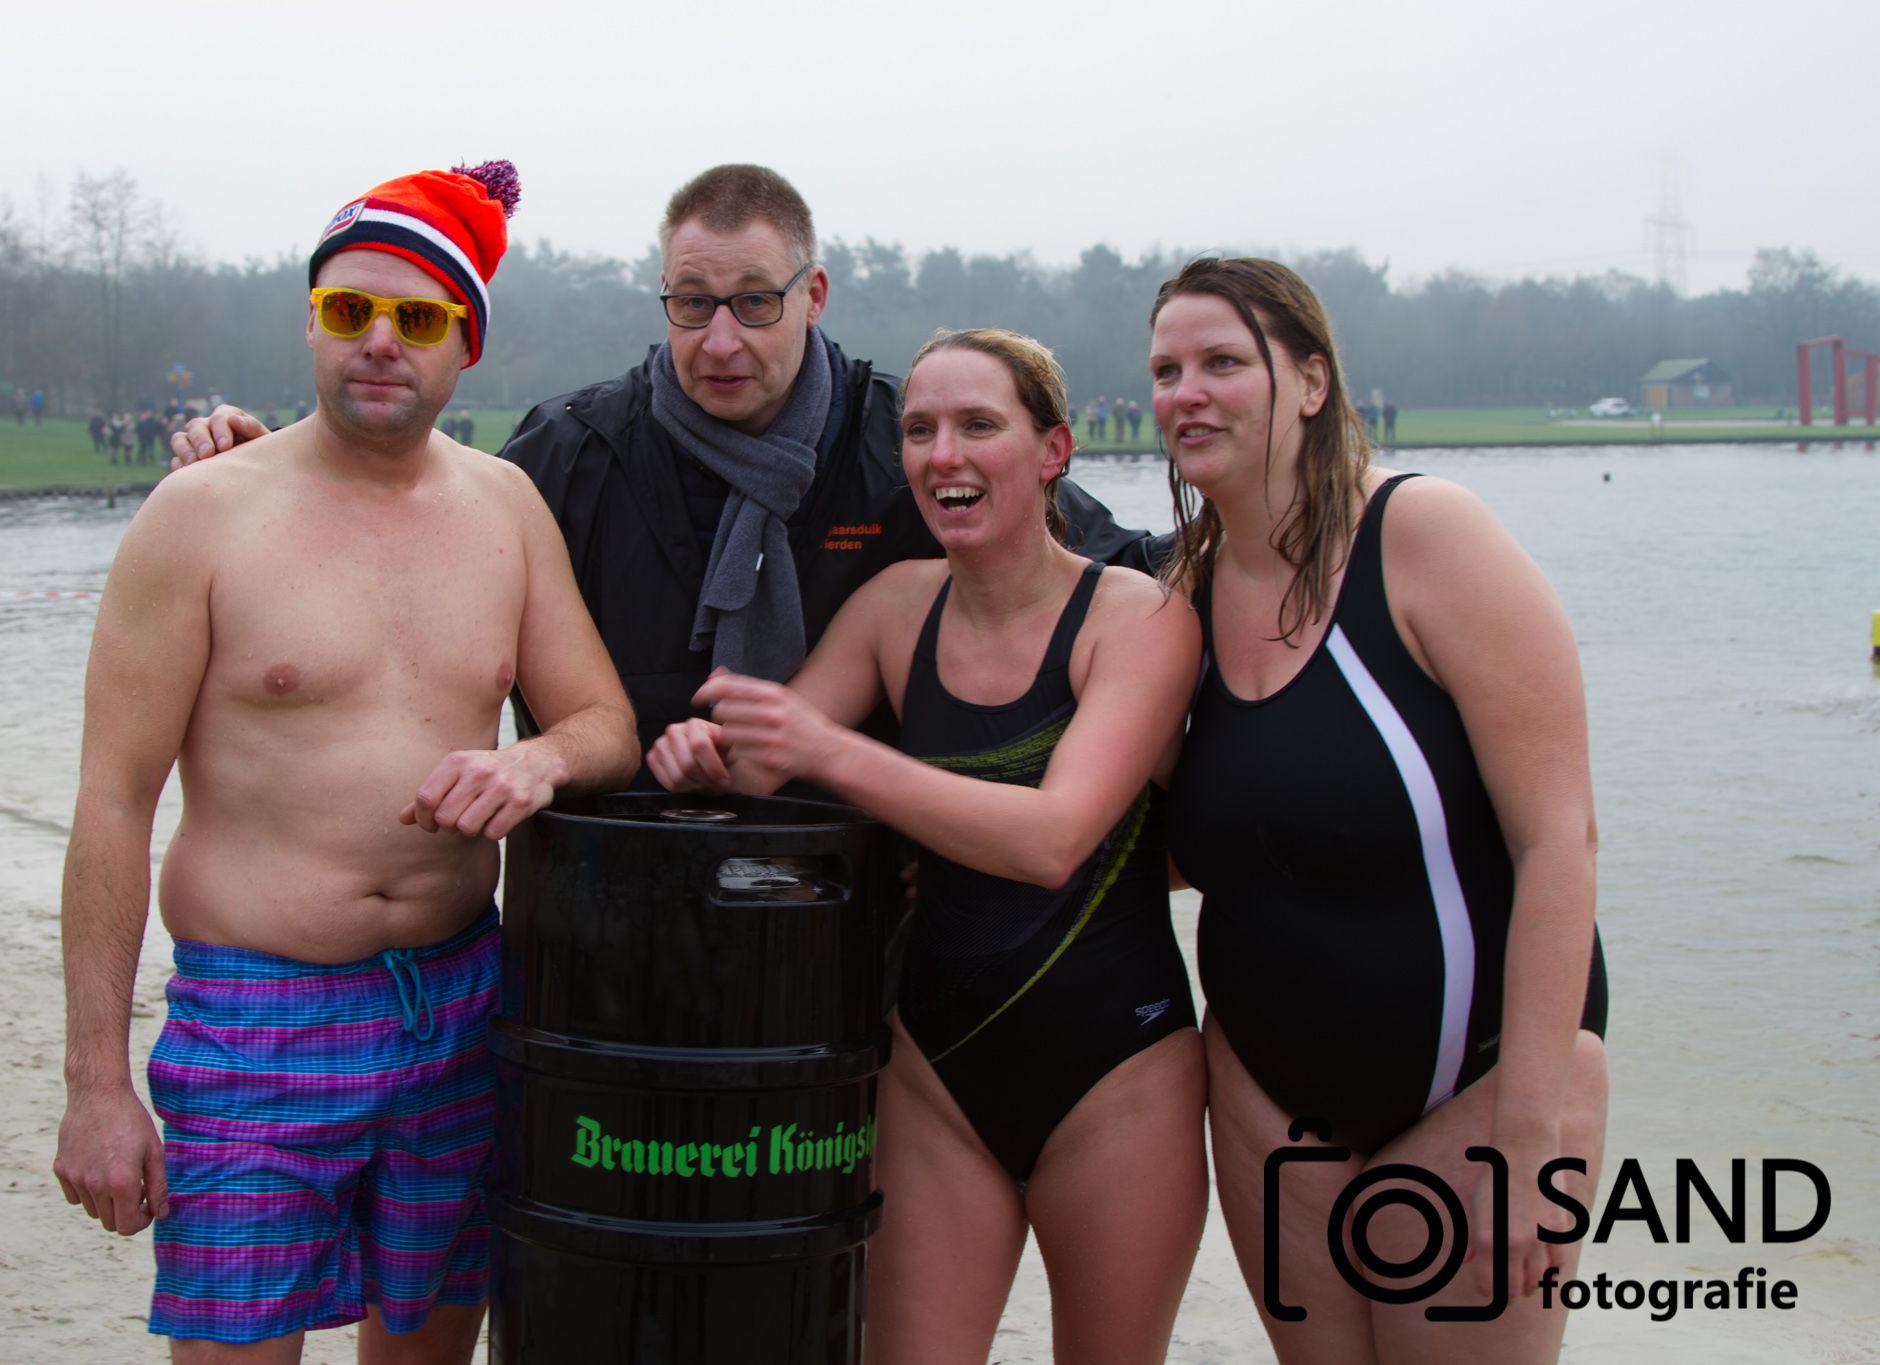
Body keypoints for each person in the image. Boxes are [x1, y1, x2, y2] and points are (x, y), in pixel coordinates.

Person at [52, 162, 638, 1361]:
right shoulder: (202, 514)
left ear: (463, 347)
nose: (379, 340)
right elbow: (114, 803)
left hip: (462, 1001)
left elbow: (603, 726)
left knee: (429, 1346)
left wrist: (537, 766)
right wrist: (97, 1088)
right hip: (258, 1014)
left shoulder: (506, 508)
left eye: (416, 318)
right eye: (347, 311)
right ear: (311, 324)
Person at [171, 165, 1151, 773]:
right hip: (607, 915)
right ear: (662, 301)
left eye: (753, 303)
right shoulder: (567, 453)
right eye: (691, 303)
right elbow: (407, 525)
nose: (719, 339)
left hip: (860, 916)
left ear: (812, 295)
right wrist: (277, 470)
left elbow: (1111, 573)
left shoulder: (910, 441)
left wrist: (1281, 546)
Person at [648, 327, 1207, 1365]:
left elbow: (1053, 841)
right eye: (918, 430)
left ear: (1052, 452)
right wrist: (702, 758)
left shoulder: (1131, 617)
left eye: (977, 426)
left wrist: (827, 751)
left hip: (1117, 1075)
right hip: (934, 1071)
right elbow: (763, 762)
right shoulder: (894, 607)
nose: (941, 454)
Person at [1148, 256, 1608, 1365]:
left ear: (1310, 383)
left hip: (1475, 1086)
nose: (1185, 392)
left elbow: (1558, 841)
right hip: (1265, 1097)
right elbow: (1182, 846)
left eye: (1221, 362)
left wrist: (1525, 1139)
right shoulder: (1177, 596)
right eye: (1165, 369)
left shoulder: (1423, 538)